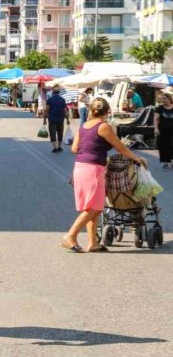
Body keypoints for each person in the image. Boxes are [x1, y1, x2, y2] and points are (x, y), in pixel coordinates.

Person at [62, 97, 146, 253]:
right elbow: (120, 147)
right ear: (107, 111)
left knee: (93, 207)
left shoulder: (84, 126)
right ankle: (70, 235)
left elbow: (74, 149)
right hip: (93, 169)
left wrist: (92, 150)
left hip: (80, 167)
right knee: (94, 207)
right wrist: (136, 158)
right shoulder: (104, 127)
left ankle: (93, 243)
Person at [45, 86, 69, 153]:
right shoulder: (62, 100)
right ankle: (59, 147)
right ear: (59, 93)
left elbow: (47, 110)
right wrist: (67, 119)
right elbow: (65, 110)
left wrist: (44, 119)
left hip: (52, 119)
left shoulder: (50, 100)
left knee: (52, 133)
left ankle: (55, 147)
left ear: (53, 92)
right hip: (60, 119)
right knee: (60, 133)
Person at [154, 92, 173, 169]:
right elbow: (155, 119)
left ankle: (170, 160)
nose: (163, 100)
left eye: (164, 98)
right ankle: (166, 162)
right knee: (163, 146)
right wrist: (156, 128)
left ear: (169, 99)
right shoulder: (160, 108)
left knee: (172, 145)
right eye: (162, 98)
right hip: (162, 131)